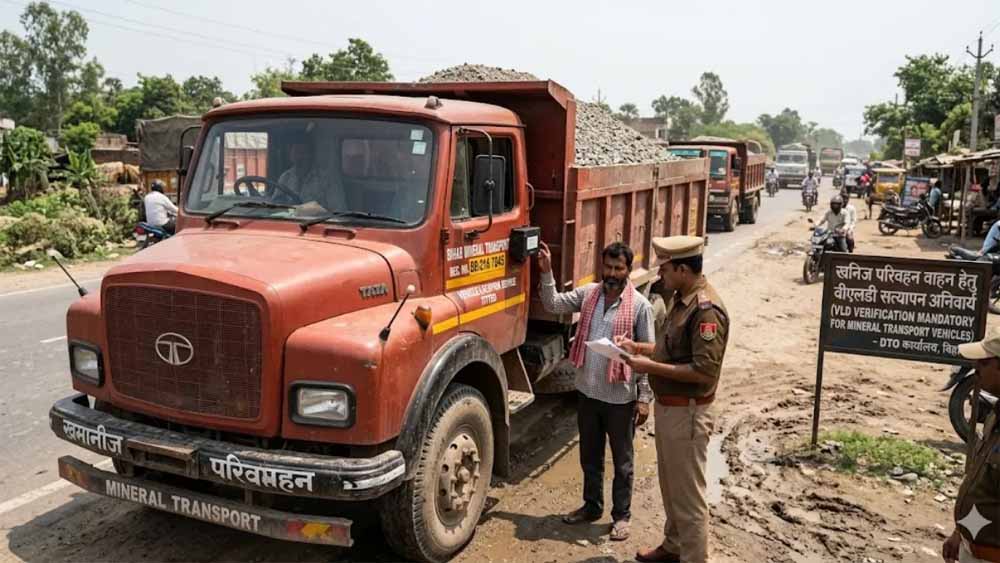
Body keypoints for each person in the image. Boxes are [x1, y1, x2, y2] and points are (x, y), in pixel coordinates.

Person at [615, 236, 728, 563]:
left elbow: (703, 371)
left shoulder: (706, 310)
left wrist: (648, 366)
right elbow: (673, 351)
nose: (659, 272)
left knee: (689, 499)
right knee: (671, 487)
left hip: (688, 414)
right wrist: (639, 348)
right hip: (672, 410)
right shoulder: (682, 298)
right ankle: (673, 546)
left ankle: (694, 557)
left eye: (664, 267)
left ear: (682, 269)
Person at [536, 241, 654, 541]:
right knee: (590, 457)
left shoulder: (641, 306)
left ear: (628, 270)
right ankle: (591, 507)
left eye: (619, 268)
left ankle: (621, 517)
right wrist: (547, 272)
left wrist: (643, 398)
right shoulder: (589, 295)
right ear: (602, 267)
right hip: (588, 393)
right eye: (609, 267)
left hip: (620, 399)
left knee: (623, 462)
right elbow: (553, 303)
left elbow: (645, 359)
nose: (613, 273)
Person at [941, 328, 1000, 563]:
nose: (976, 367)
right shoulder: (995, 417)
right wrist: (961, 533)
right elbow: (982, 486)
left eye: (985, 363)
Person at [276, 138, 346, 211]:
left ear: (311, 155)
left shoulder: (327, 178)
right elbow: (276, 204)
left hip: (317, 221)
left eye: (303, 152)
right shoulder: (285, 177)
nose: (300, 157)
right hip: (288, 220)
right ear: (291, 155)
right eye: (296, 152)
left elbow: (339, 210)